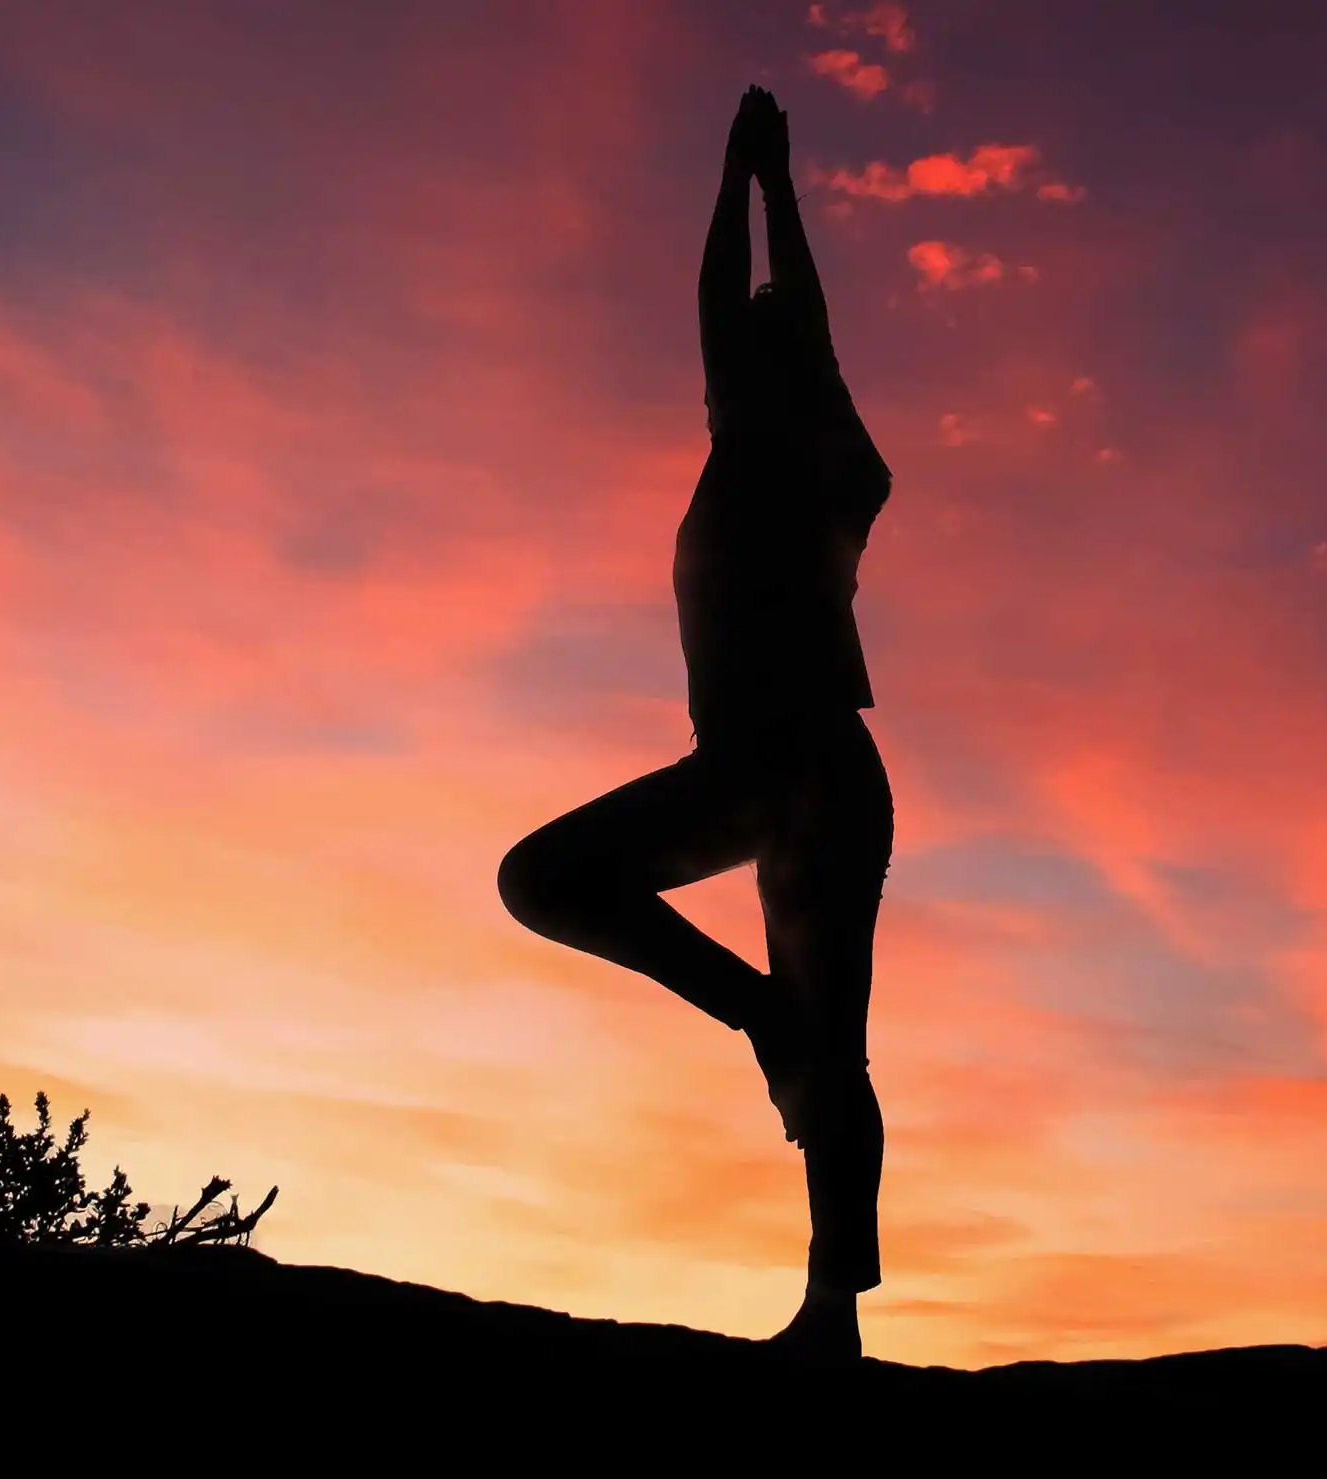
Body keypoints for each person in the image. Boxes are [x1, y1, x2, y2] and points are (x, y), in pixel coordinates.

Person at [497, 85, 894, 1359]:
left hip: (801, 764)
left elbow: (749, 308)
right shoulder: (793, 458)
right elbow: (765, 323)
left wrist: (755, 185)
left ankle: (832, 1308)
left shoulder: (788, 453)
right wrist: (764, 187)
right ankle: (769, 1034)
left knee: (822, 1028)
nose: (730, 352)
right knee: (553, 881)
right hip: (773, 768)